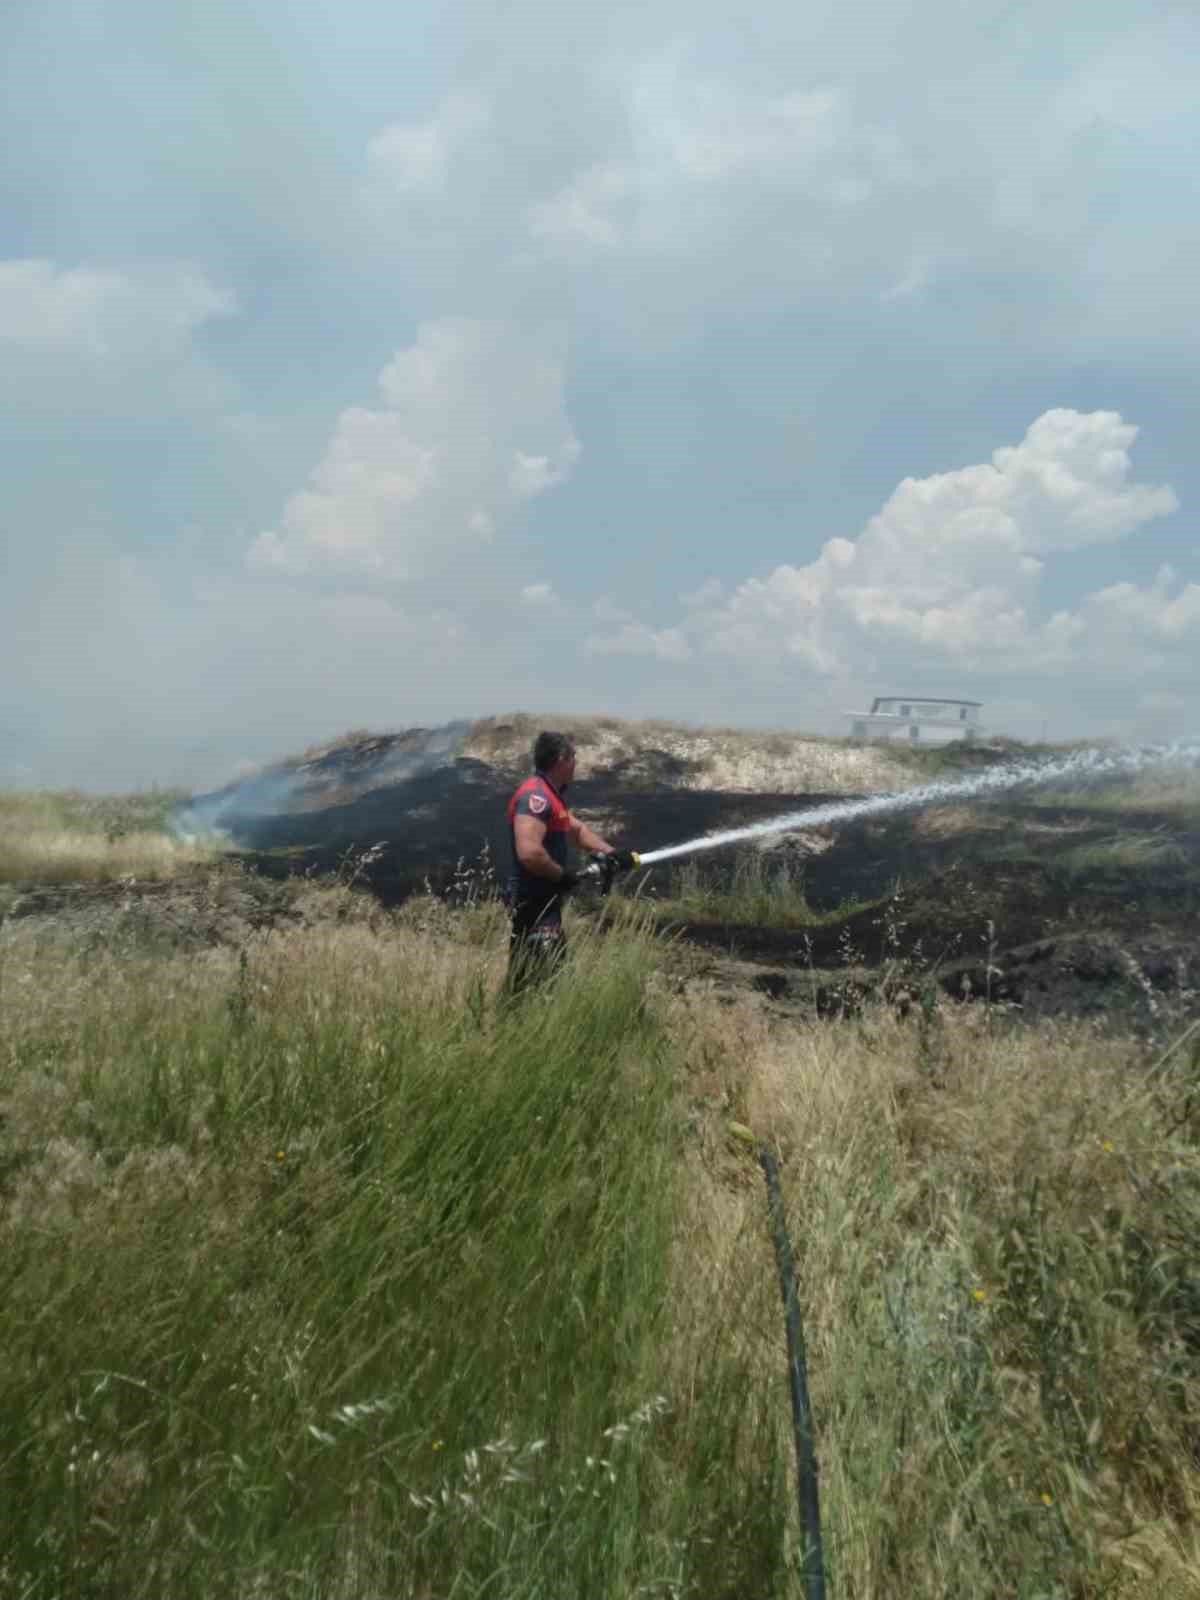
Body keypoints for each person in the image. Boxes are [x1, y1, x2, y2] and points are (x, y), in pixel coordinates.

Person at [504, 730, 636, 997]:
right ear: (562, 759)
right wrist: (563, 876)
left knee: (530, 979)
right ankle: (526, 1026)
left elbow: (576, 831)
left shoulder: (550, 796)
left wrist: (613, 854)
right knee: (545, 984)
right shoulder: (536, 797)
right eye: (574, 756)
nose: (576, 763)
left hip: (546, 902)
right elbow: (529, 852)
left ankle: (512, 1022)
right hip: (534, 903)